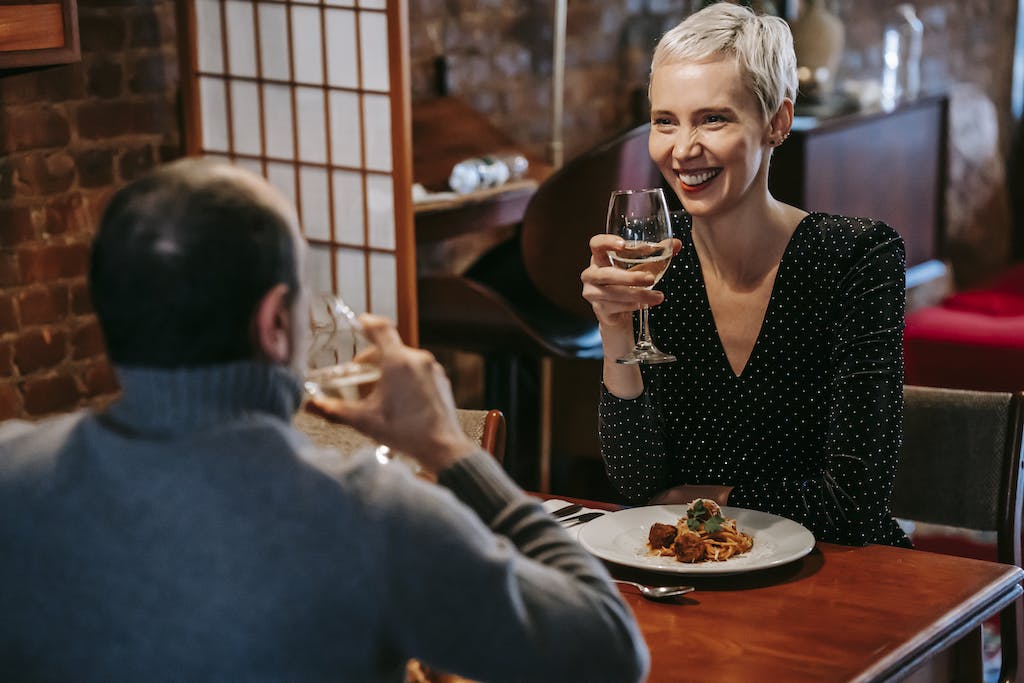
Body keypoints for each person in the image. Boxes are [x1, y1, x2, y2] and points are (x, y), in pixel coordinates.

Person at [0, 159, 649, 682]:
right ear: (276, 320)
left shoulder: (12, 476)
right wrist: (454, 450)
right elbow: (608, 647)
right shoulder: (370, 516)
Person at [581, 2, 910, 547]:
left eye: (713, 118)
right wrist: (615, 328)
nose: (683, 150)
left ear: (777, 122)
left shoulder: (857, 258)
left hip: (843, 574)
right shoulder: (658, 266)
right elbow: (637, 487)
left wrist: (707, 498)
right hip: (700, 573)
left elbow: (856, 502)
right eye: (665, 121)